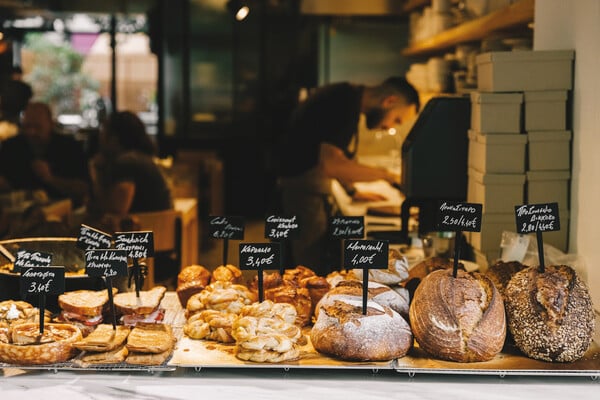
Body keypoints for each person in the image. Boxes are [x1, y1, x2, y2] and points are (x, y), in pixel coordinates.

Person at [277, 77, 420, 275]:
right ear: (389, 101)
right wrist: (389, 176)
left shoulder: (347, 98)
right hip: (302, 192)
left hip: (307, 187)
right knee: (307, 268)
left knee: (310, 261)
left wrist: (351, 190)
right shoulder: (342, 104)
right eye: (396, 119)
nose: (390, 127)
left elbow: (332, 154)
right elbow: (333, 165)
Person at [0, 102, 90, 207]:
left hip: (63, 214)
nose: (31, 132)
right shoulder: (12, 146)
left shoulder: (70, 147)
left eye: (37, 127)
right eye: (27, 126)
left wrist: (51, 179)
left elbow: (83, 189)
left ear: (51, 124)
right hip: (18, 214)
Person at [88, 110, 172, 221]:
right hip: (158, 230)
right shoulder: (140, 158)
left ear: (114, 138)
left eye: (103, 132)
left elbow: (116, 210)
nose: (100, 139)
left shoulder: (127, 162)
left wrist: (96, 171)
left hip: (144, 233)